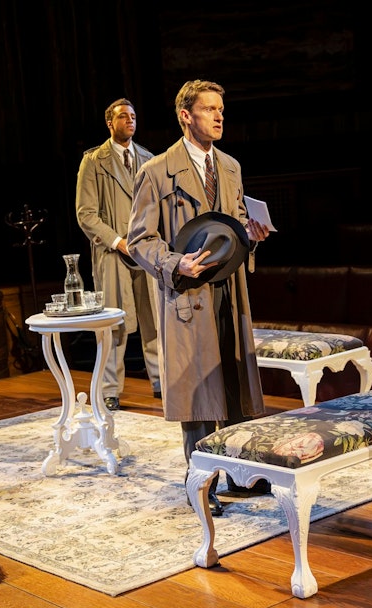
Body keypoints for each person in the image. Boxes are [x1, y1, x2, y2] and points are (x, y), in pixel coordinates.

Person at [127, 79, 270, 515]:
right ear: (185, 116)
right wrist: (175, 264)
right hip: (189, 294)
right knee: (198, 397)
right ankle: (202, 487)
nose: (219, 115)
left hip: (230, 290)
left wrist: (254, 234)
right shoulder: (156, 171)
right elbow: (139, 241)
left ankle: (241, 476)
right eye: (209, 108)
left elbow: (238, 225)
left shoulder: (229, 166)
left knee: (233, 383)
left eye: (220, 108)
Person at [75, 98, 161, 411]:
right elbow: (86, 213)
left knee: (153, 318)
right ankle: (110, 388)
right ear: (110, 123)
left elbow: (158, 205)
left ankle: (161, 382)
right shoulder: (94, 160)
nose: (130, 121)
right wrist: (117, 240)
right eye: (123, 116)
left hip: (145, 251)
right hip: (113, 252)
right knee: (115, 323)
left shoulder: (149, 159)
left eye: (133, 116)